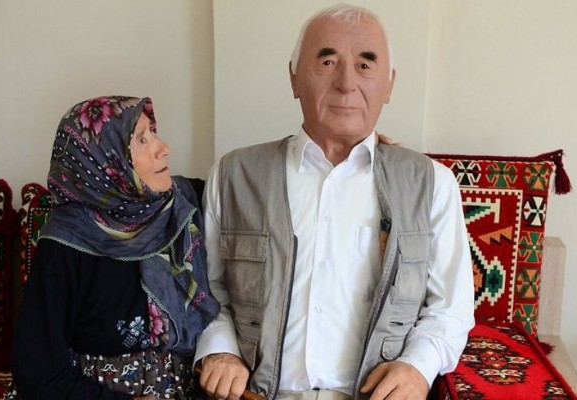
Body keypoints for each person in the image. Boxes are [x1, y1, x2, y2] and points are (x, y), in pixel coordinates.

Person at [195, 4, 474, 400]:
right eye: (327, 62)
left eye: (365, 65)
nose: (346, 83)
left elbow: (450, 309)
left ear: (389, 85)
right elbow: (207, 291)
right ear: (294, 77)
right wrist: (220, 351)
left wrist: (417, 367)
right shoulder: (234, 176)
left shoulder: (432, 185)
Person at [6, 95, 219, 399]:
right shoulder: (66, 241)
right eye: (142, 139)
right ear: (104, 162)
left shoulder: (184, 203)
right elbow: (37, 367)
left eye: (153, 132)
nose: (163, 148)